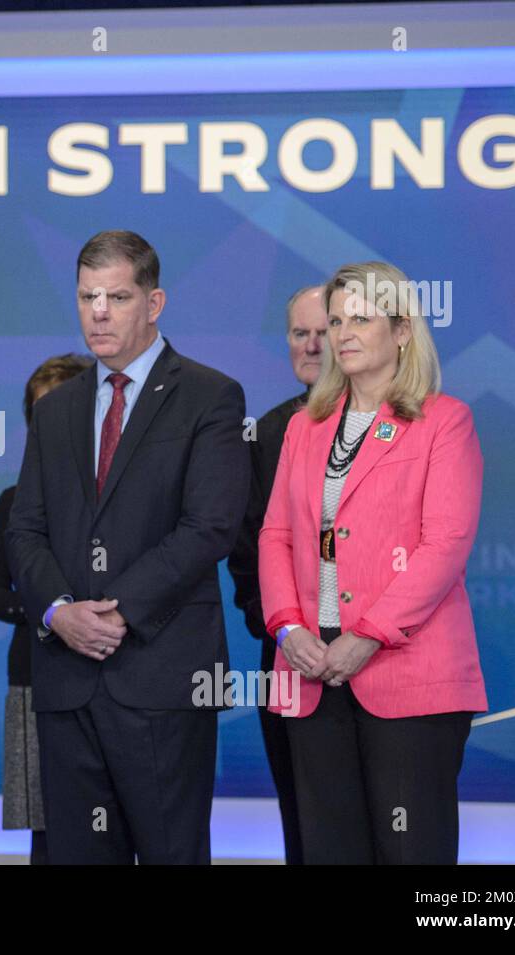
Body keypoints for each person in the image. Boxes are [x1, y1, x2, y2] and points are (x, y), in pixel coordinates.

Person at [6, 230, 249, 864]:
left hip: (162, 676)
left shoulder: (210, 396)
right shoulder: (56, 409)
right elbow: (24, 529)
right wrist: (60, 612)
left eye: (117, 296)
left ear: (155, 301)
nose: (99, 312)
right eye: (88, 297)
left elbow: (210, 526)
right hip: (66, 679)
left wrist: (116, 612)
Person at [259, 260, 486, 864]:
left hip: (404, 670)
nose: (342, 334)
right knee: (330, 850)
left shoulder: (444, 422)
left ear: (403, 329)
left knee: (411, 854)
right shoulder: (304, 427)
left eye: (361, 318)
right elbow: (275, 534)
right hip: (311, 669)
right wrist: (287, 626)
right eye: (335, 320)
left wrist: (367, 635)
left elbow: (445, 545)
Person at [0, 353, 90, 865]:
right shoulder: (15, 500)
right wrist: (53, 612)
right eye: (42, 412)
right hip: (35, 677)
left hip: (115, 676)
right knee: (46, 833)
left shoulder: (120, 498)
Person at [226, 284, 326, 864]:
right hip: (290, 659)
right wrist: (280, 629)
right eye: (298, 333)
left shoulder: (397, 424)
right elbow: (247, 551)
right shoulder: (267, 432)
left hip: (376, 656)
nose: (311, 345)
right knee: (304, 827)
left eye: (323, 331)